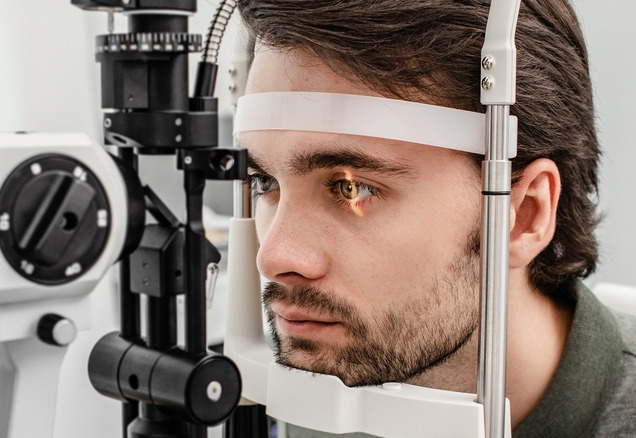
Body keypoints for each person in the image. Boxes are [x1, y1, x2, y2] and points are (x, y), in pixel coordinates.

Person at [232, 0, 636, 436]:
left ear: (522, 214)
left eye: (352, 188)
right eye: (263, 182)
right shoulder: (315, 390)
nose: (273, 256)